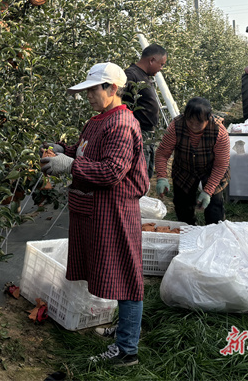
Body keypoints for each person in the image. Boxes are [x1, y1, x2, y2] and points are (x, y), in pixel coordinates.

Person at [40, 62, 148, 367]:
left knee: (126, 274)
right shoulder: (98, 120)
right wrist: (61, 149)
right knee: (114, 270)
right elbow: (85, 150)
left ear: (112, 88)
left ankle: (127, 349)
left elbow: (113, 171)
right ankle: (126, 327)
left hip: (116, 208)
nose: (88, 95)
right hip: (97, 207)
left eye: (93, 89)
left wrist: (70, 166)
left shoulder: (122, 124)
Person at [154, 97, 230, 225]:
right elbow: (162, 153)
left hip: (211, 170)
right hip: (184, 169)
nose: (194, 126)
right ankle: (187, 232)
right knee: (183, 207)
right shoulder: (176, 126)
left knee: (214, 209)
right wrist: (162, 177)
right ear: (185, 116)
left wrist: (208, 191)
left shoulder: (219, 131)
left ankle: (213, 236)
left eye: (199, 123)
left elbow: (220, 165)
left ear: (208, 118)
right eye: (190, 121)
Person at [123, 44, 167, 182]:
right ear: (152, 60)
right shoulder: (131, 75)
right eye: (161, 64)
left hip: (146, 135)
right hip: (138, 134)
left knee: (146, 174)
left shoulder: (143, 76)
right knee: (138, 177)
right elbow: (123, 106)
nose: (161, 69)